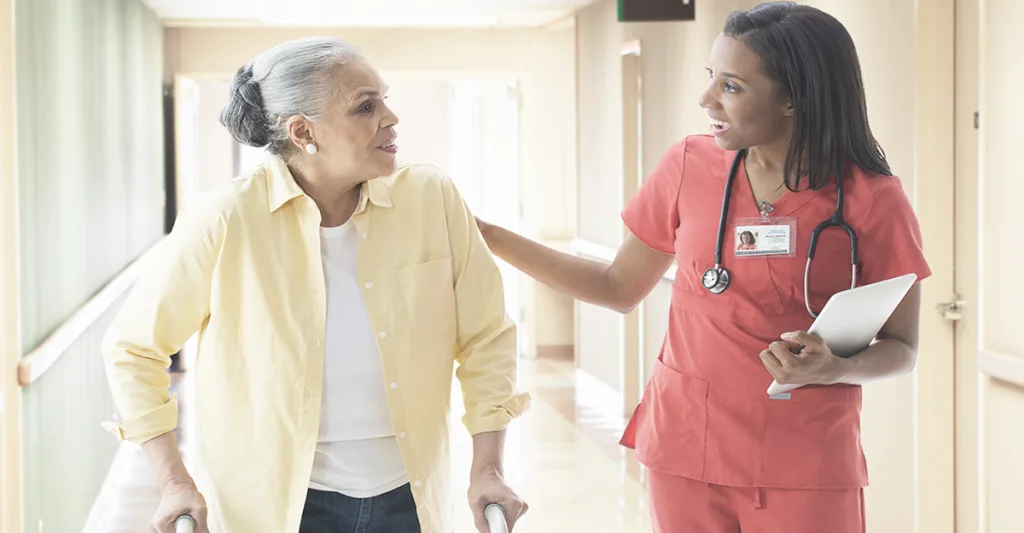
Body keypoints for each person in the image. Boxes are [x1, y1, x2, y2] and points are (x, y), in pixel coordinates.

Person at [476, 3, 930, 532]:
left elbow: (903, 348)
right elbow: (617, 287)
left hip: (803, 456)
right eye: (711, 77)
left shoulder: (871, 200)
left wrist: (840, 367)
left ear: (794, 99)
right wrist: (490, 237)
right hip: (686, 447)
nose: (706, 99)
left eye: (731, 86)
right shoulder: (689, 165)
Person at [101, 37, 529, 533]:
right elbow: (134, 350)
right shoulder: (227, 218)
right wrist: (174, 479)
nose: (391, 118)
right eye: (366, 106)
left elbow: (486, 338)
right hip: (278, 507)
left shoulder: (432, 199)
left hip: (409, 498)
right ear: (304, 131)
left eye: (384, 99)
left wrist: (488, 466)